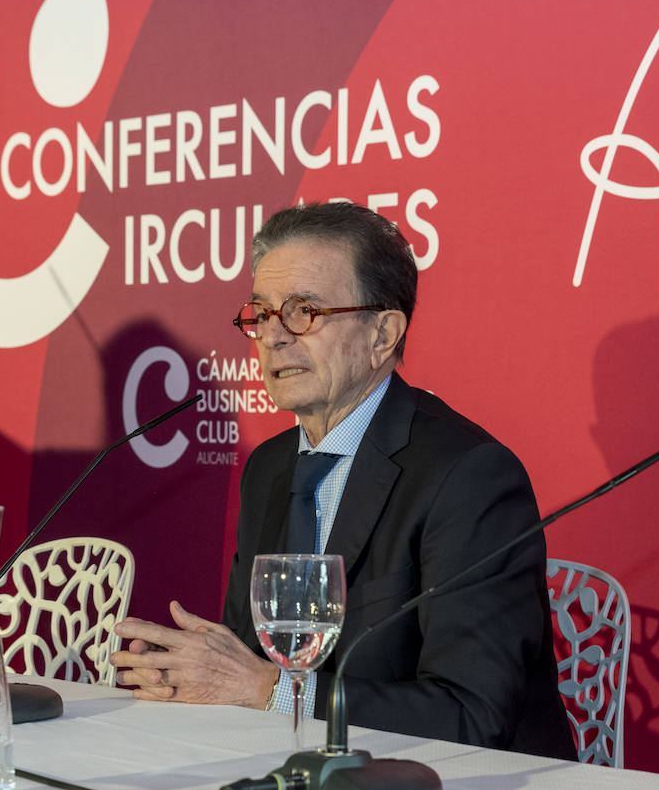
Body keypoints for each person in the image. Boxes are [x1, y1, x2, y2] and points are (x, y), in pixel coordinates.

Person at [112, 202, 575, 758]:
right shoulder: (270, 467)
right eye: (261, 314)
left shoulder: (468, 476)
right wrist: (195, 678)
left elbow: (471, 717)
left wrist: (268, 691)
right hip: (297, 774)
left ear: (383, 334)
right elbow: (252, 664)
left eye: (302, 311)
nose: (272, 337)